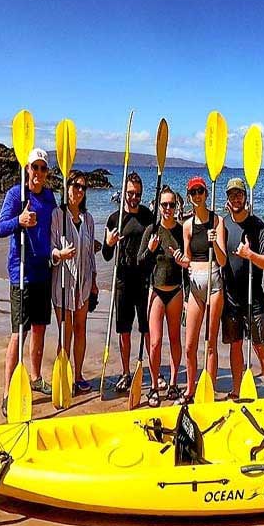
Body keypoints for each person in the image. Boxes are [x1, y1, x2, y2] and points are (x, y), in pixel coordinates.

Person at [0, 148, 56, 417]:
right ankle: (9, 391)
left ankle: (35, 377)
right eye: (35, 168)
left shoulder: (50, 197)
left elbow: (57, 225)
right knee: (19, 334)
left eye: (43, 168)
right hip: (21, 273)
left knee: (41, 330)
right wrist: (19, 221)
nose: (39, 173)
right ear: (27, 169)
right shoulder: (16, 195)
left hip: (44, 272)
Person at [222, 178, 264, 398]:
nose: (236, 198)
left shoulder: (258, 226)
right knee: (235, 345)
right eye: (232, 195)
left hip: (254, 298)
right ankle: (236, 391)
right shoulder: (223, 224)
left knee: (259, 345)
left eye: (239, 194)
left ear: (245, 197)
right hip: (231, 298)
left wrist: (250, 255)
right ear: (227, 198)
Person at [175, 177, 226, 404]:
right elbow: (187, 258)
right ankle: (190, 389)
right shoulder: (187, 225)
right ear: (189, 196)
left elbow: (223, 260)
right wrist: (180, 260)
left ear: (206, 194)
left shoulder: (217, 221)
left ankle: (210, 390)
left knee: (210, 343)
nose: (197, 196)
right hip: (195, 284)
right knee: (190, 345)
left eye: (200, 191)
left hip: (215, 283)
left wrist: (214, 242)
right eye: (193, 192)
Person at [137, 186, 189, 407]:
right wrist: (150, 249)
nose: (168, 208)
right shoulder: (152, 230)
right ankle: (154, 387)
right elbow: (140, 262)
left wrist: (182, 262)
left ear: (177, 207)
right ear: (159, 207)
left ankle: (175, 383)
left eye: (172, 205)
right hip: (156, 292)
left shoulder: (181, 230)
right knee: (156, 342)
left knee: (175, 339)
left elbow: (188, 264)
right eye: (164, 205)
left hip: (176, 292)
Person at [102, 171, 153, 392]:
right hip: (122, 281)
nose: (134, 198)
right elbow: (105, 255)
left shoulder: (148, 216)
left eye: (137, 194)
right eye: (130, 193)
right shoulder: (114, 219)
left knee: (147, 330)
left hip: (142, 282)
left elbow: (156, 248)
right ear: (123, 193)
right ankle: (125, 372)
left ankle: (153, 371)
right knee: (124, 330)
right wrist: (110, 243)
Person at [51, 170, 98, 395]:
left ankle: (78, 375)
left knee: (81, 330)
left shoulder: (88, 219)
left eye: (83, 187)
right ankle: (64, 375)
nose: (79, 190)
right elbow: (50, 249)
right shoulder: (57, 216)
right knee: (65, 332)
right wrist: (59, 253)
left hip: (84, 283)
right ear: (67, 187)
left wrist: (95, 281)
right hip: (63, 283)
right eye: (75, 185)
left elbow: (90, 255)